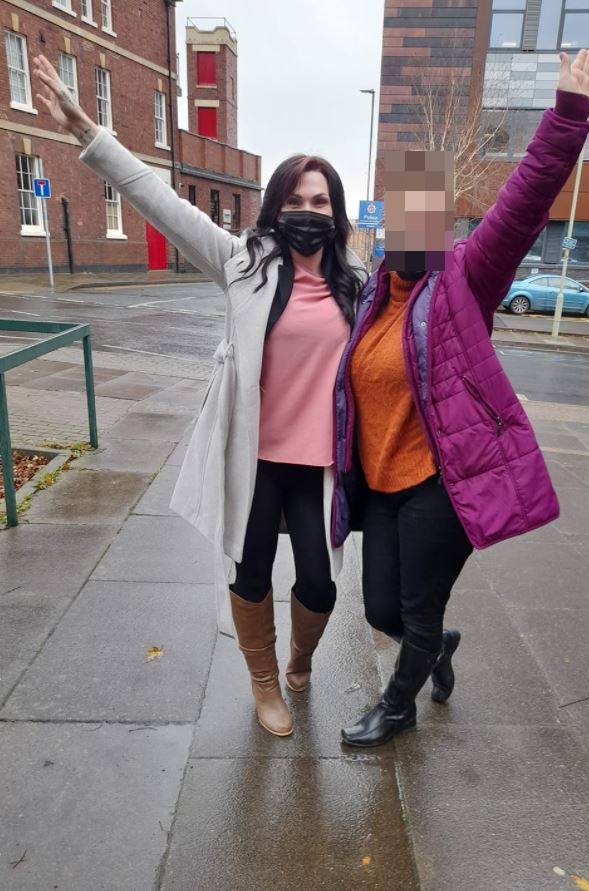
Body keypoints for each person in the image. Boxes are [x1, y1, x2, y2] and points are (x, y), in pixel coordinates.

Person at [32, 54, 367, 739]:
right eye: (297, 201)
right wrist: (89, 134)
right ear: (277, 206)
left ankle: (301, 657)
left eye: (321, 202)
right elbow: (163, 200)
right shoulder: (241, 264)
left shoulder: (357, 284)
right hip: (256, 456)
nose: (308, 212)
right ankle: (265, 681)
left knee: (319, 584)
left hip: (319, 463)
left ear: (336, 215)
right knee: (250, 576)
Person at [333, 49, 589, 747]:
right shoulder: (371, 297)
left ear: (443, 224)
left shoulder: (463, 281)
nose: (407, 229)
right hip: (385, 482)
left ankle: (398, 707)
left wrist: (567, 117)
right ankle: (441, 647)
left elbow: (521, 206)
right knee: (384, 610)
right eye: (396, 213)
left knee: (415, 608)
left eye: (425, 214)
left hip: (442, 482)